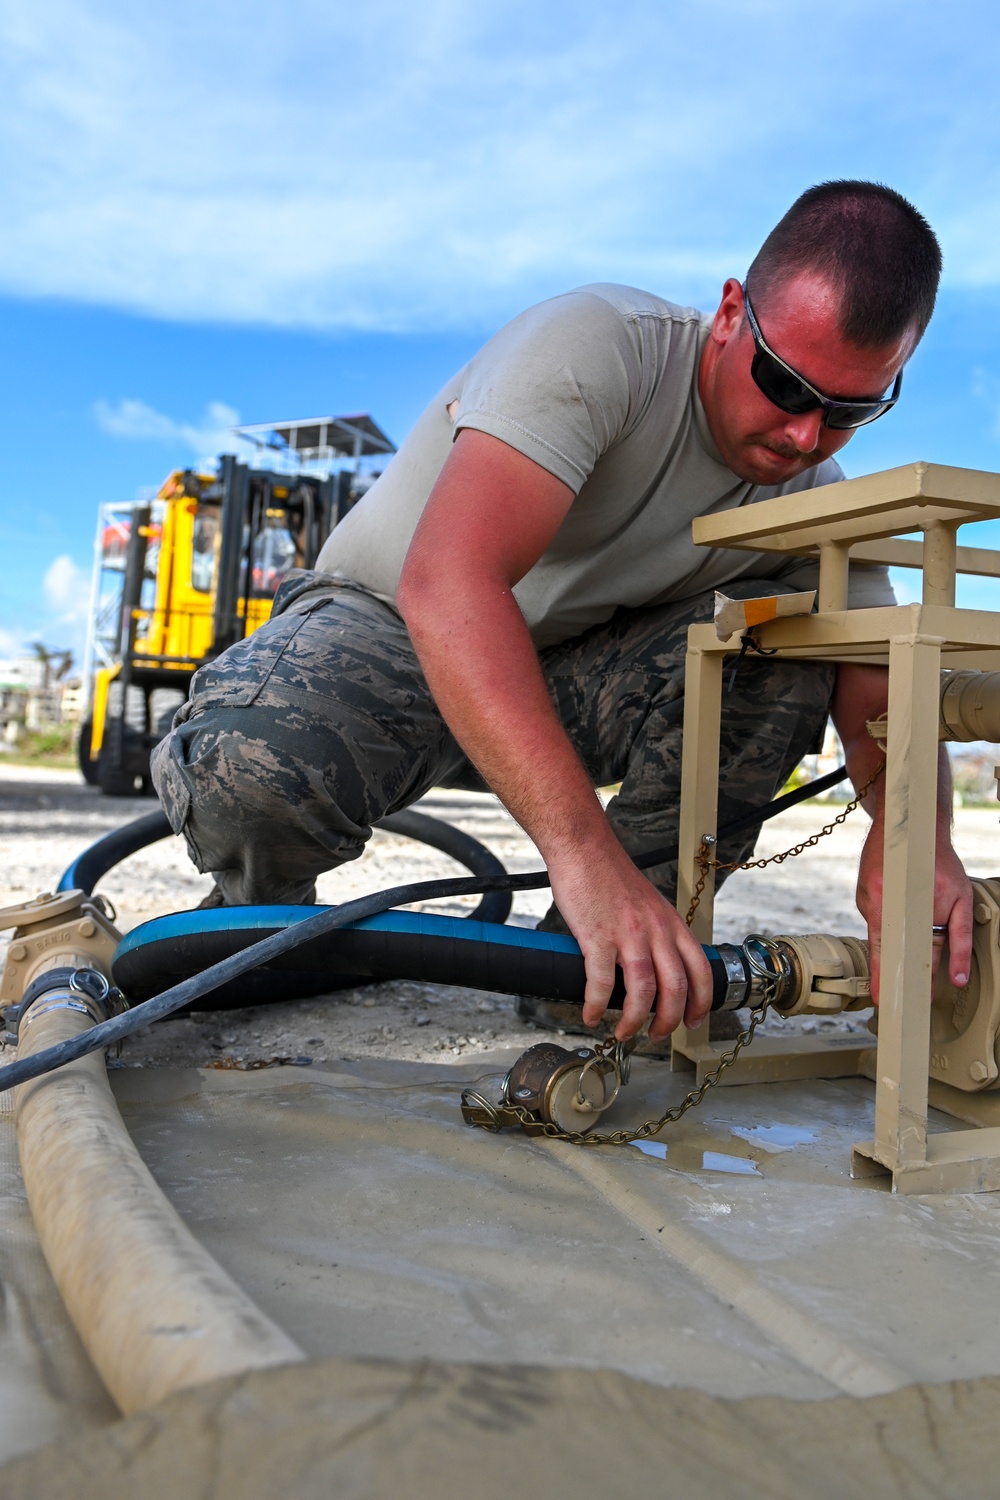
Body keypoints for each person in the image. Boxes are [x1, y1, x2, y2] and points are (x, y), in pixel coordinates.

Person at [152, 179, 973, 1043]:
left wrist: (918, 841)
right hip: (389, 632)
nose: (806, 436)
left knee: (784, 645)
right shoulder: (601, 347)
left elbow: (878, 677)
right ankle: (253, 922)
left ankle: (610, 968)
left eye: (849, 411)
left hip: (572, 674)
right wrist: (585, 860)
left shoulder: (816, 500)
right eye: (786, 385)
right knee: (257, 762)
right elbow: (451, 583)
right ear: (732, 313)